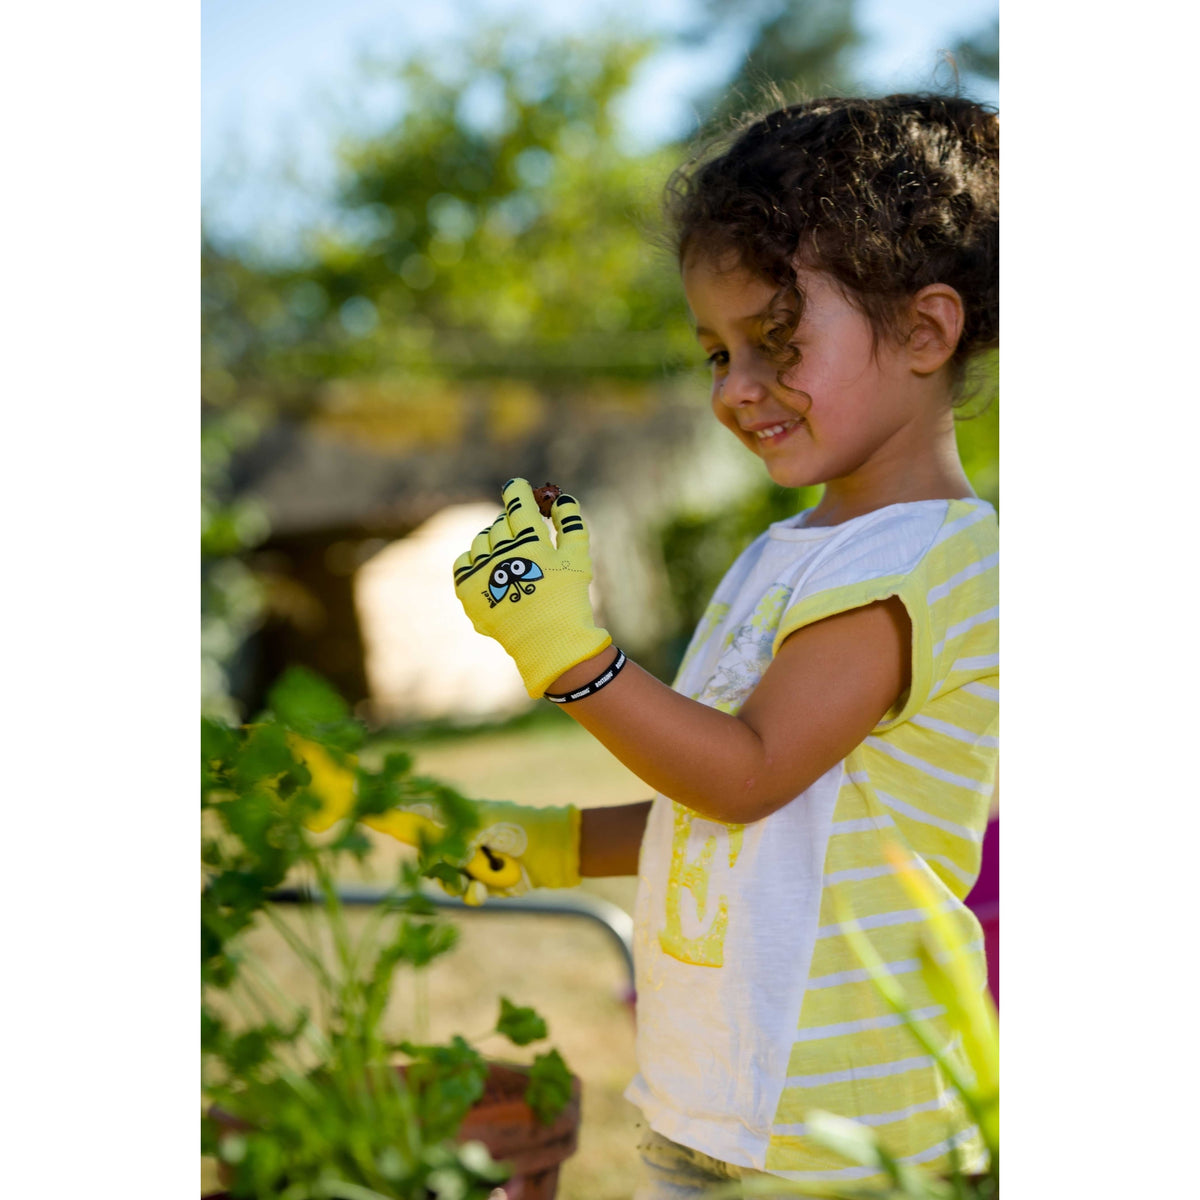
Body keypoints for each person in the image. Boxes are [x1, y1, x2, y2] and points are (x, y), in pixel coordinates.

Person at [391, 93, 998, 1196]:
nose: (735, 388)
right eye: (714, 352)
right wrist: (552, 845)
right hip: (724, 1099)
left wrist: (575, 660)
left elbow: (750, 778)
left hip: (836, 1129)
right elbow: (750, 822)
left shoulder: (909, 564)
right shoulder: (794, 550)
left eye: (774, 342)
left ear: (924, 329)